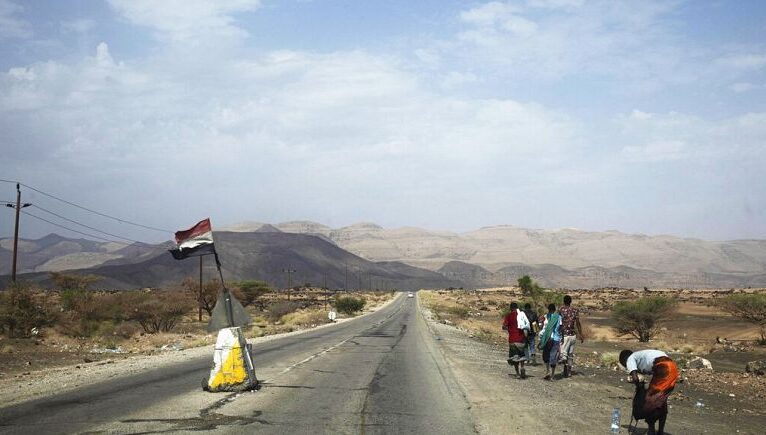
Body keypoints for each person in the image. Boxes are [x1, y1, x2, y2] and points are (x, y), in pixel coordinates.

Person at [619, 349, 679, 435]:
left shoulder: (630, 359)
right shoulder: (640, 355)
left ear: (624, 360)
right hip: (672, 368)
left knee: (649, 401)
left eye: (624, 365)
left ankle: (651, 430)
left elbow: (635, 378)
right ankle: (660, 431)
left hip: (664, 369)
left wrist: (638, 386)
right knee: (661, 402)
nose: (626, 367)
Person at [502, 302, 530, 379]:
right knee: (522, 355)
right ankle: (522, 367)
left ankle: (517, 373)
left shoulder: (508, 316)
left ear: (511, 308)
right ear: (517, 308)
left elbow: (504, 326)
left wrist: (509, 329)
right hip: (521, 339)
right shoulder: (521, 315)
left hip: (512, 340)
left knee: (515, 358)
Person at [558, 294, 583, 378]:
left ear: (563, 301)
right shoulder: (575, 310)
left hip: (564, 335)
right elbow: (578, 323)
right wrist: (581, 334)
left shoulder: (561, 310)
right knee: (570, 354)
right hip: (573, 335)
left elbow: (559, 322)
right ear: (570, 301)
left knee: (564, 354)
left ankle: (565, 368)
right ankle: (569, 371)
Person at [537, 303, 561, 381]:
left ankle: (548, 372)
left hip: (547, 339)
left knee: (546, 356)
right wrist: (562, 338)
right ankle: (552, 375)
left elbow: (541, 327)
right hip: (555, 339)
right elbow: (561, 328)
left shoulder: (546, 317)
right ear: (554, 309)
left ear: (549, 309)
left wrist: (541, 339)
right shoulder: (559, 317)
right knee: (553, 357)